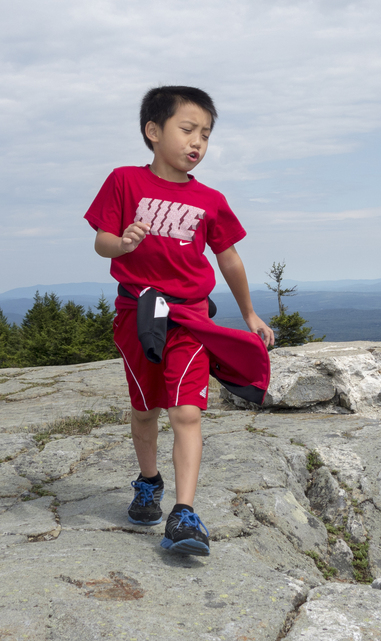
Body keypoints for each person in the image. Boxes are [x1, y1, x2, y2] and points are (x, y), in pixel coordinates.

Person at [85, 85, 274, 557]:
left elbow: (228, 257)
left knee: (186, 411)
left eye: (205, 134)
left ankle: (184, 513)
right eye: (188, 129)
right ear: (153, 131)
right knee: (145, 408)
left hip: (189, 317)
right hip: (138, 314)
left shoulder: (210, 199)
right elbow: (102, 241)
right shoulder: (124, 181)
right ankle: (149, 482)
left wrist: (248, 313)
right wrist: (123, 243)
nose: (197, 142)